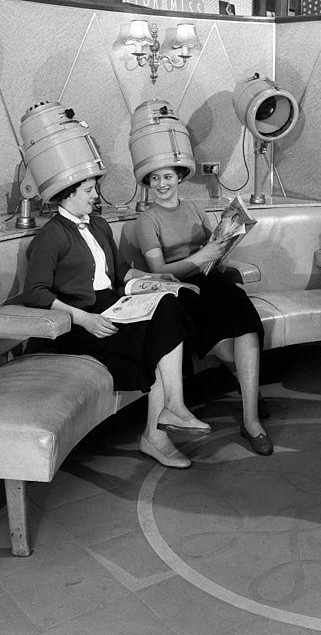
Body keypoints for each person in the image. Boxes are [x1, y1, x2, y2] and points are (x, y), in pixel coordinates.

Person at [22, 174, 208, 469]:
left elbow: (122, 272)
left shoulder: (98, 224)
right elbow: (34, 292)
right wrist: (85, 319)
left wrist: (157, 279)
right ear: (68, 195)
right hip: (77, 324)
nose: (95, 195)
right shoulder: (51, 235)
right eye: (88, 190)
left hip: (111, 307)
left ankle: (173, 407)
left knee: (170, 305)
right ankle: (157, 433)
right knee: (158, 332)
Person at [135, 166, 272, 455]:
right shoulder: (147, 220)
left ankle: (251, 420)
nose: (162, 184)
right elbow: (158, 271)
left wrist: (224, 244)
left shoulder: (195, 210)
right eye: (156, 178)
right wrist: (202, 257)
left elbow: (215, 249)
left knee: (245, 321)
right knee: (225, 341)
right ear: (148, 182)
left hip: (212, 280)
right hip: (181, 290)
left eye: (168, 177)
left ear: (179, 179)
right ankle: (249, 390)